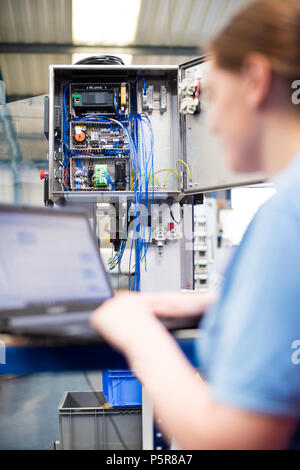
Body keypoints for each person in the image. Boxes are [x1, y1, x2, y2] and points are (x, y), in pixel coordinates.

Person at [90, 0, 300, 449]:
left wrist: (135, 330)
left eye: (215, 99)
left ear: (256, 82)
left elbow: (232, 442)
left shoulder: (286, 215)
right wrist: (226, 301)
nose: (215, 125)